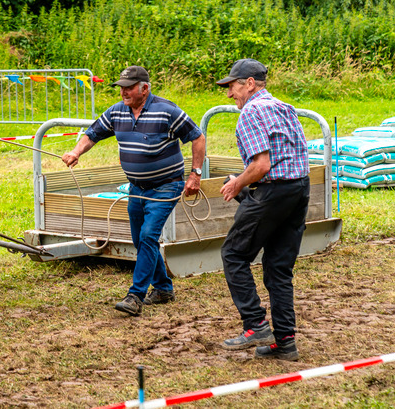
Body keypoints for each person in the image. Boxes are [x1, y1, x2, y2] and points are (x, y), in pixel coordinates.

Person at [62, 65, 206, 317]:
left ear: (144, 88)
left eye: (128, 88)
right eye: (121, 88)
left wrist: (195, 174)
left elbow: (197, 137)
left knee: (149, 236)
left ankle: (135, 295)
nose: (123, 93)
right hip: (136, 188)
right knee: (141, 240)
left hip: (166, 185)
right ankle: (163, 288)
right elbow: (92, 133)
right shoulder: (117, 112)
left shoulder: (167, 111)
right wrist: (76, 151)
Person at [216, 58, 310, 361]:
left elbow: (261, 165)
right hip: (299, 190)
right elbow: (283, 160)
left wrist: (235, 185)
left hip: (273, 192)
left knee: (233, 254)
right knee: (278, 270)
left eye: (232, 86)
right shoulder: (285, 107)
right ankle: (285, 343)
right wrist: (246, 182)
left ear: (250, 84)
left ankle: (255, 325)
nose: (230, 94)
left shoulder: (251, 112)